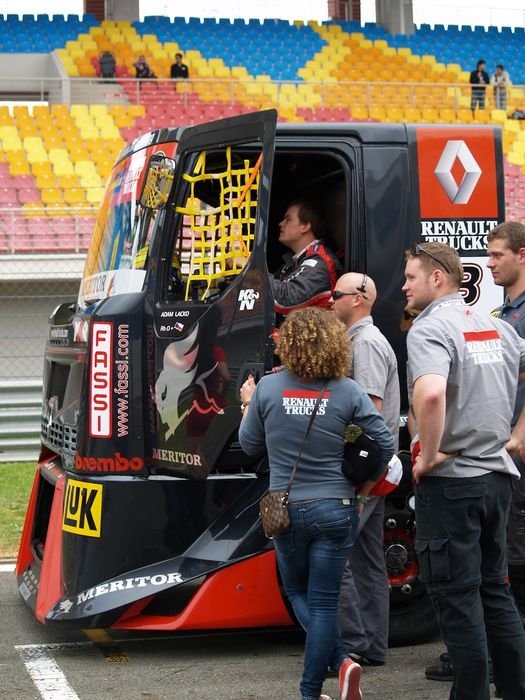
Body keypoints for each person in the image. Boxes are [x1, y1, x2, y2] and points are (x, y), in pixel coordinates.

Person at [239, 306, 394, 700]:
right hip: (337, 507)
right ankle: (333, 671)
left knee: (297, 593)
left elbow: (248, 445)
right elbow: (386, 445)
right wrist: (361, 491)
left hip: (285, 509)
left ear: (287, 344)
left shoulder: (269, 389)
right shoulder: (347, 390)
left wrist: (247, 404)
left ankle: (332, 674)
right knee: (325, 601)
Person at [403, 241, 525, 700]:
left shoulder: (431, 329)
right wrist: (517, 435)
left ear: (437, 278)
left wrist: (429, 455)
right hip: (497, 478)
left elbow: (431, 394)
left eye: (411, 277)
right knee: (495, 591)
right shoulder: (492, 325)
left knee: (457, 599)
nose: (404, 286)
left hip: (453, 484)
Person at [333, 272, 400, 668]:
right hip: (373, 468)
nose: (329, 300)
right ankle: (371, 644)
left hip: (365, 470)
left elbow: (369, 411)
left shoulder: (368, 344)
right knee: (367, 559)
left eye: (336, 294)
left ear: (358, 298)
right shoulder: (361, 341)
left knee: (337, 553)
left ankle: (354, 644)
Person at [271, 199, 341, 316]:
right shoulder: (294, 262)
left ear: (305, 226)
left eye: (288, 219)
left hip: (318, 333)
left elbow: (284, 299)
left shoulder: (319, 262)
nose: (281, 223)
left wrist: (250, 268)